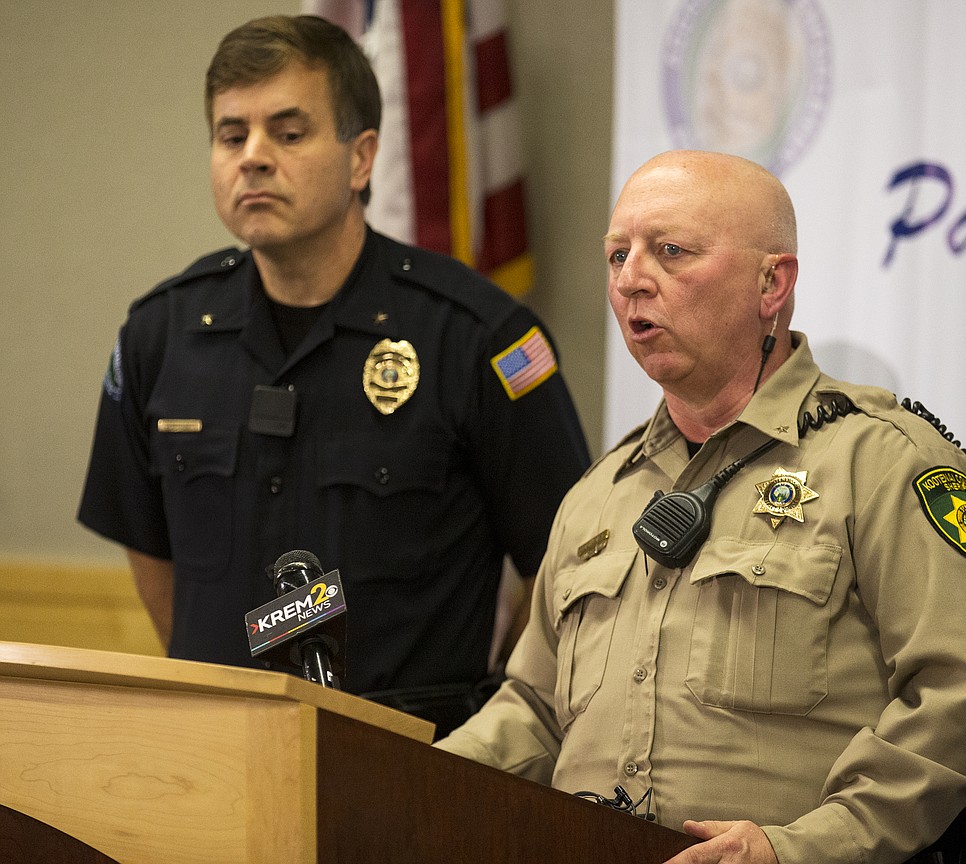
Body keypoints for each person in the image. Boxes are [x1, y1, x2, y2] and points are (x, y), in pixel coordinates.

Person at [435, 150, 966, 863]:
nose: (630, 280)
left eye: (671, 252)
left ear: (771, 283)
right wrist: (402, 781)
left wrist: (800, 849)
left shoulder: (884, 460)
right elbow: (534, 710)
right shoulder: (598, 494)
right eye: (617, 255)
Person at [77, 15, 590, 735]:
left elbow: (562, 565)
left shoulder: (474, 337)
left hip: (414, 761)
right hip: (216, 748)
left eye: (288, 134)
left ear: (361, 158)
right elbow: (151, 554)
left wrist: (487, 712)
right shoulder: (160, 335)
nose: (252, 158)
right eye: (232, 135)